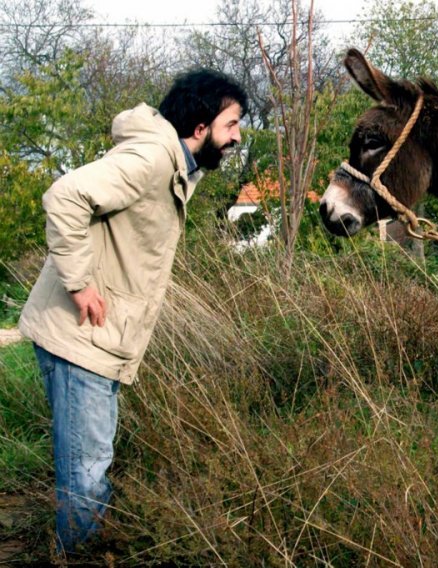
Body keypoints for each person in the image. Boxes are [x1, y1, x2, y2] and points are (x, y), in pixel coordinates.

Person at [18, 68, 248, 554]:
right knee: (87, 469)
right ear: (201, 127)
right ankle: (77, 557)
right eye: (232, 125)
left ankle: (81, 550)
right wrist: (79, 284)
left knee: (90, 463)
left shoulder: (174, 162)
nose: (238, 136)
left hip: (97, 343)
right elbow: (65, 197)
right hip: (81, 337)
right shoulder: (150, 157)